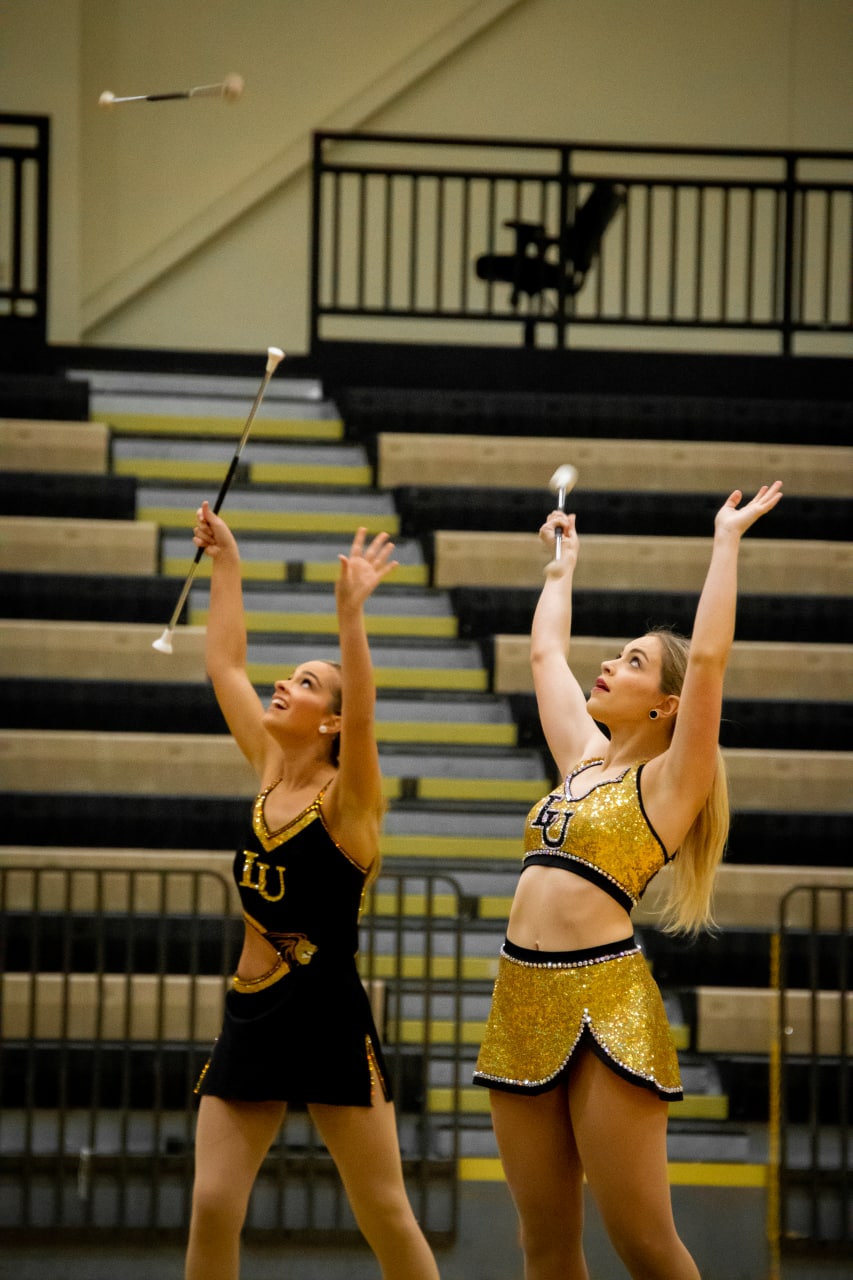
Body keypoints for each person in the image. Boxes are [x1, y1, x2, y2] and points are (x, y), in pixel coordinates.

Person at [472, 482, 784, 1280]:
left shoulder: (671, 783)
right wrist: (560, 569)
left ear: (666, 705)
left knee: (642, 1244)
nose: (607, 665)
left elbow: (709, 656)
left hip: (603, 1002)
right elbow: (544, 653)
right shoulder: (579, 757)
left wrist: (725, 542)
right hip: (519, 995)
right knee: (542, 1244)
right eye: (615, 656)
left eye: (632, 661)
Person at [185, 500, 440, 1280]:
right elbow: (225, 664)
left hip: (327, 1015)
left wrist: (349, 622)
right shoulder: (267, 770)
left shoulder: (348, 802)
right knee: (211, 1205)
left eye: (303, 682)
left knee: (384, 1211)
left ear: (328, 721)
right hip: (253, 1010)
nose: (280, 685)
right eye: (289, 676)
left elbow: (364, 721)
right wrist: (226, 561)